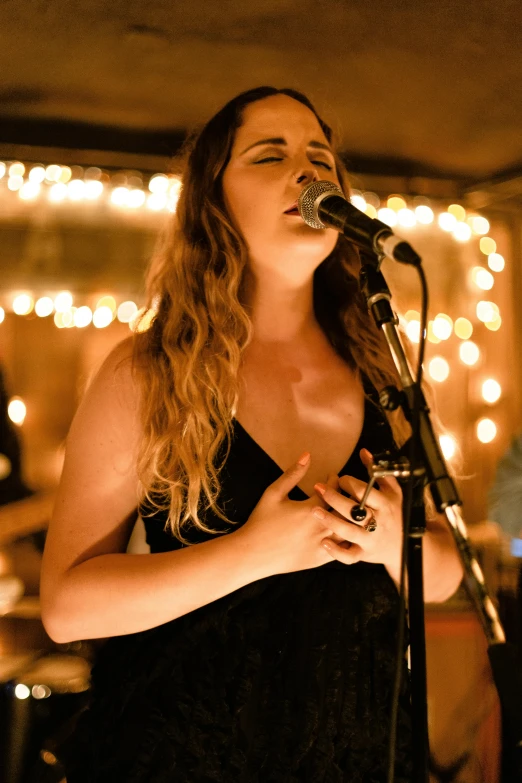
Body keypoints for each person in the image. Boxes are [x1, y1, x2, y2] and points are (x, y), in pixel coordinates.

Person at [40, 86, 463, 782]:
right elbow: (66, 605)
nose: (308, 171)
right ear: (215, 203)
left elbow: (445, 574)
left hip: (357, 758)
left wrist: (394, 539)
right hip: (180, 755)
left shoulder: (379, 364)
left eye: (319, 156)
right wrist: (251, 553)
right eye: (271, 155)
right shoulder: (149, 372)